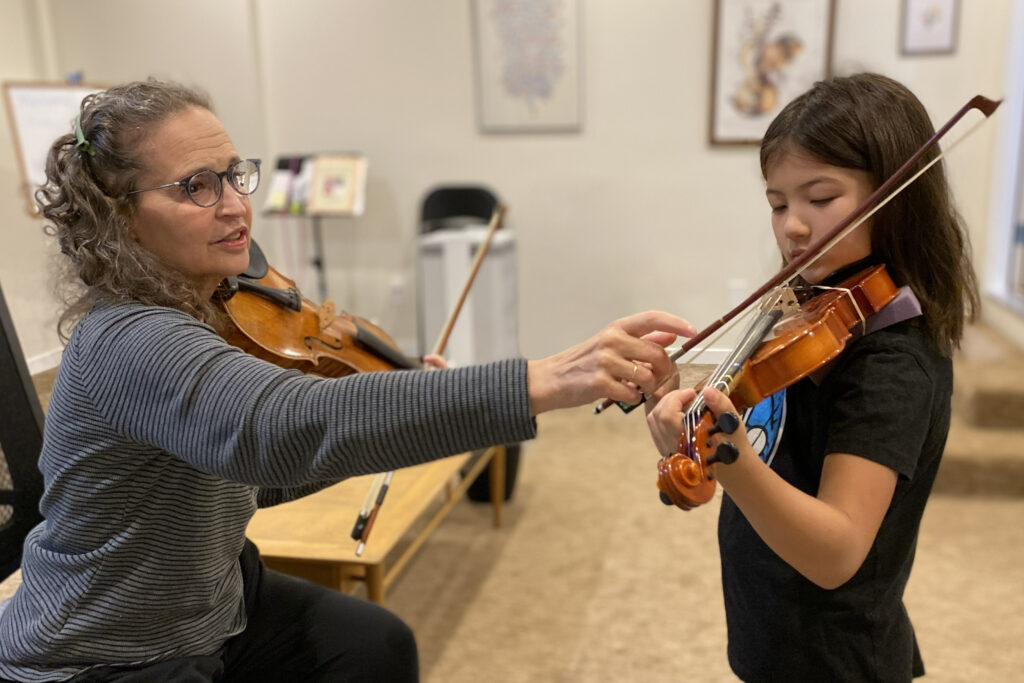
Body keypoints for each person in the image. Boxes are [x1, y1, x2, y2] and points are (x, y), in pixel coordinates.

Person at [0, 79, 695, 683]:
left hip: (212, 601)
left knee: (373, 647)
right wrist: (548, 378)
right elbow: (278, 428)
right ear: (122, 219)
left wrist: (413, 414)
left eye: (233, 174)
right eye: (196, 187)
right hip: (109, 648)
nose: (236, 206)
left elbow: (254, 476)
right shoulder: (130, 337)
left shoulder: (208, 310)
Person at [647, 73, 979, 682]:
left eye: (820, 199)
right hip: (778, 637)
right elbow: (771, 451)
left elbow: (836, 552)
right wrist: (691, 429)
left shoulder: (890, 367)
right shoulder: (809, 312)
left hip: (833, 659)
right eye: (778, 203)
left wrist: (731, 459)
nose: (792, 226)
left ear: (895, 196)